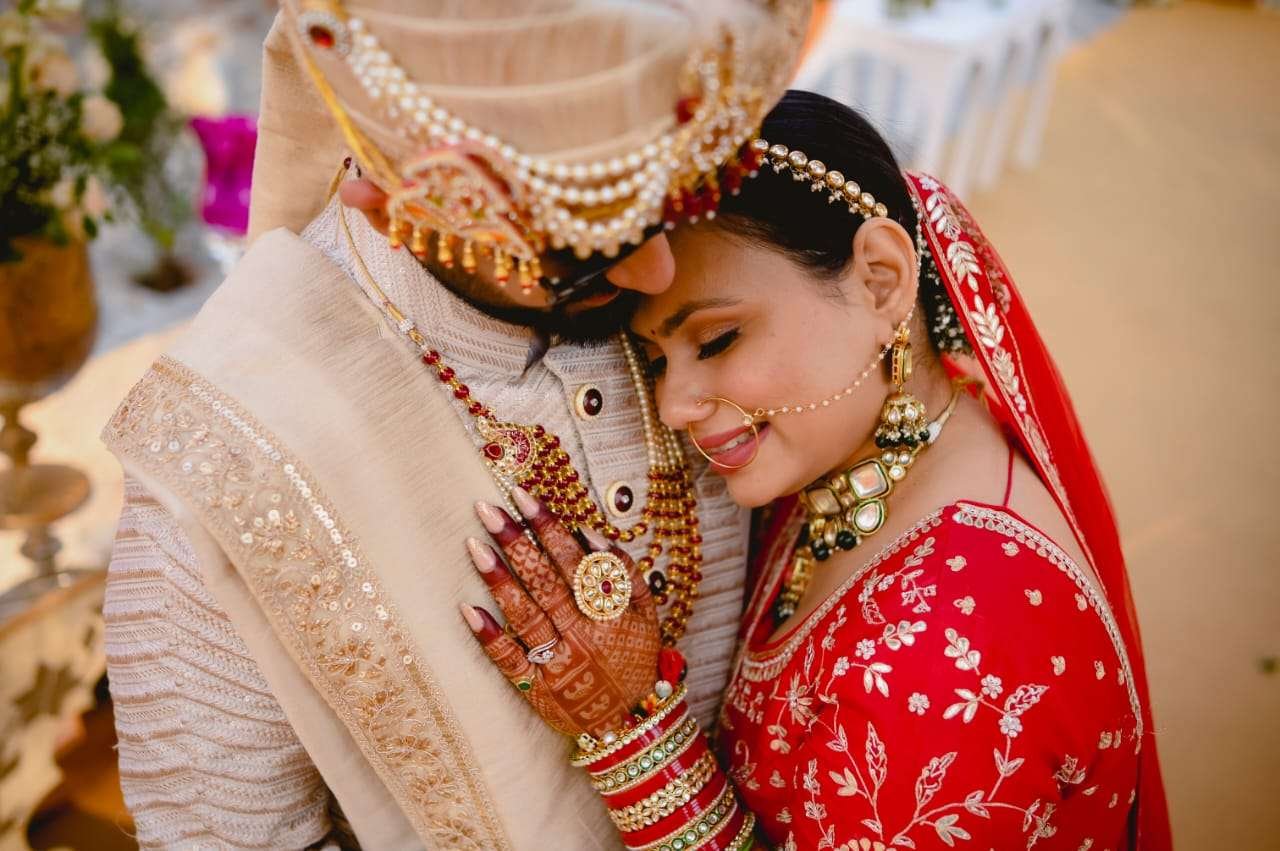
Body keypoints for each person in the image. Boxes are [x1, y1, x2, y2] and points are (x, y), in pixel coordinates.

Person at [98, 2, 810, 848]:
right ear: (387, 206)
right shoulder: (228, 461)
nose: (659, 271)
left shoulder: (705, 251)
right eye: (579, 256)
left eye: (676, 205)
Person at [461, 91, 1172, 850]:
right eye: (656, 359)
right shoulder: (863, 461)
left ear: (881, 279)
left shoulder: (947, 659)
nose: (672, 406)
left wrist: (631, 733)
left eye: (718, 339)